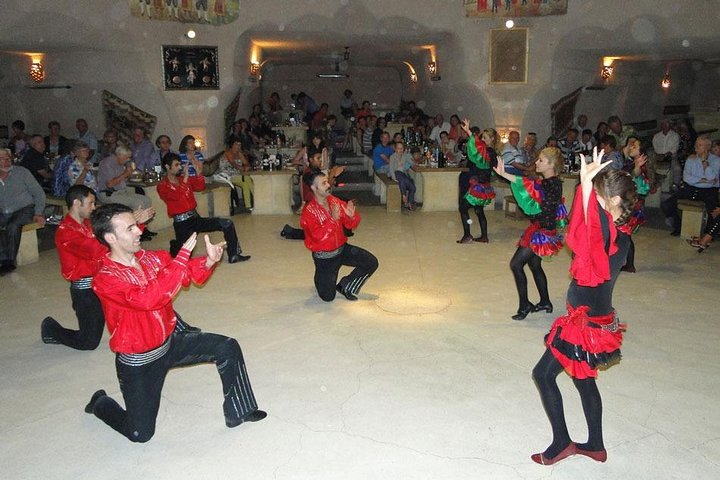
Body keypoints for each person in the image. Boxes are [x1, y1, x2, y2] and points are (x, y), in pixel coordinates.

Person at [84, 203, 266, 442]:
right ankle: (101, 403)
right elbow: (148, 298)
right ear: (110, 237)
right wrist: (180, 260)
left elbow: (185, 272)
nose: (139, 231)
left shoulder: (151, 258)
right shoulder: (105, 279)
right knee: (140, 434)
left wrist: (208, 262)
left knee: (227, 347)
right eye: (130, 228)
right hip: (140, 362)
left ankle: (239, 411)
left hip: (171, 343)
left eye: (136, 225)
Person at [530, 148, 638, 466]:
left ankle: (562, 442)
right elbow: (590, 229)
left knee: (543, 374)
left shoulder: (611, 238)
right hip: (594, 321)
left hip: (584, 326)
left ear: (615, 202)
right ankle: (595, 446)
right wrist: (587, 187)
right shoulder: (621, 236)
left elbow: (592, 232)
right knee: (583, 379)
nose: (597, 202)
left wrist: (585, 184)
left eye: (602, 196)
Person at [41, 185, 152, 350]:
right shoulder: (65, 232)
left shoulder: (88, 224)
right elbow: (99, 249)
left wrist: (133, 226)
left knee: (137, 306)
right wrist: (132, 224)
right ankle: (50, 329)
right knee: (89, 341)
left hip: (104, 281)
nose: (94, 207)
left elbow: (116, 239)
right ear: (77, 203)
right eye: (91, 203)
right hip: (86, 291)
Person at [493, 147, 567, 320]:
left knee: (516, 265)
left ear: (551, 164)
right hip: (542, 228)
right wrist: (504, 174)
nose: (536, 162)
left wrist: (534, 212)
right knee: (534, 266)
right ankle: (545, 301)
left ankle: (524, 305)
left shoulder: (551, 184)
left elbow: (532, 191)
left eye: (541, 160)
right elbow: (527, 184)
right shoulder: (551, 182)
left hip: (542, 231)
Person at [300, 170, 378, 302]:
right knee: (328, 297)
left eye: (327, 181)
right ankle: (321, 277)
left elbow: (350, 225)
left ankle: (346, 285)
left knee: (371, 262)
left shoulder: (334, 201)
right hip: (325, 258)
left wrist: (351, 216)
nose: (328, 185)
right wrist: (333, 220)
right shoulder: (309, 211)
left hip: (342, 249)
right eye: (323, 183)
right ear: (314, 188)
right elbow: (318, 236)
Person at [157, 153, 250, 262]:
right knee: (183, 257)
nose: (180, 167)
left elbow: (200, 187)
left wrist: (198, 173)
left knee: (227, 223)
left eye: (180, 164)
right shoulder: (162, 186)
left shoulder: (183, 179)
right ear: (168, 167)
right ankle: (175, 245)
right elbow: (177, 195)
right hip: (182, 224)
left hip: (195, 219)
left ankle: (234, 255)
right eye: (177, 165)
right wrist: (186, 178)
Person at [661, 136, 720, 236]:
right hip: (691, 188)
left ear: (707, 147)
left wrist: (705, 162)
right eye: (696, 144)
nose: (696, 146)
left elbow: (711, 178)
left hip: (709, 190)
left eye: (700, 145)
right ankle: (678, 226)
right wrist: (703, 179)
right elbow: (687, 178)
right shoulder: (691, 159)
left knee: (714, 211)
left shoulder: (716, 160)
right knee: (667, 205)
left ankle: (708, 234)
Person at [0, 148, 46, 275]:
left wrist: (38, 212)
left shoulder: (22, 172)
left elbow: (39, 193)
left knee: (13, 226)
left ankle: (8, 261)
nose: (7, 161)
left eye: (8, 158)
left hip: (24, 209)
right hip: (3, 211)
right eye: (2, 159)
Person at [457, 120, 497, 244]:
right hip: (484, 185)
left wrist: (469, 131)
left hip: (479, 186)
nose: (483, 140)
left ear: (492, 139)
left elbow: (476, 149)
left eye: (485, 138)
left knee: (463, 208)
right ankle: (484, 236)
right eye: (482, 138)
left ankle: (467, 235)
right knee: (479, 211)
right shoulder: (491, 152)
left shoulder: (488, 152)